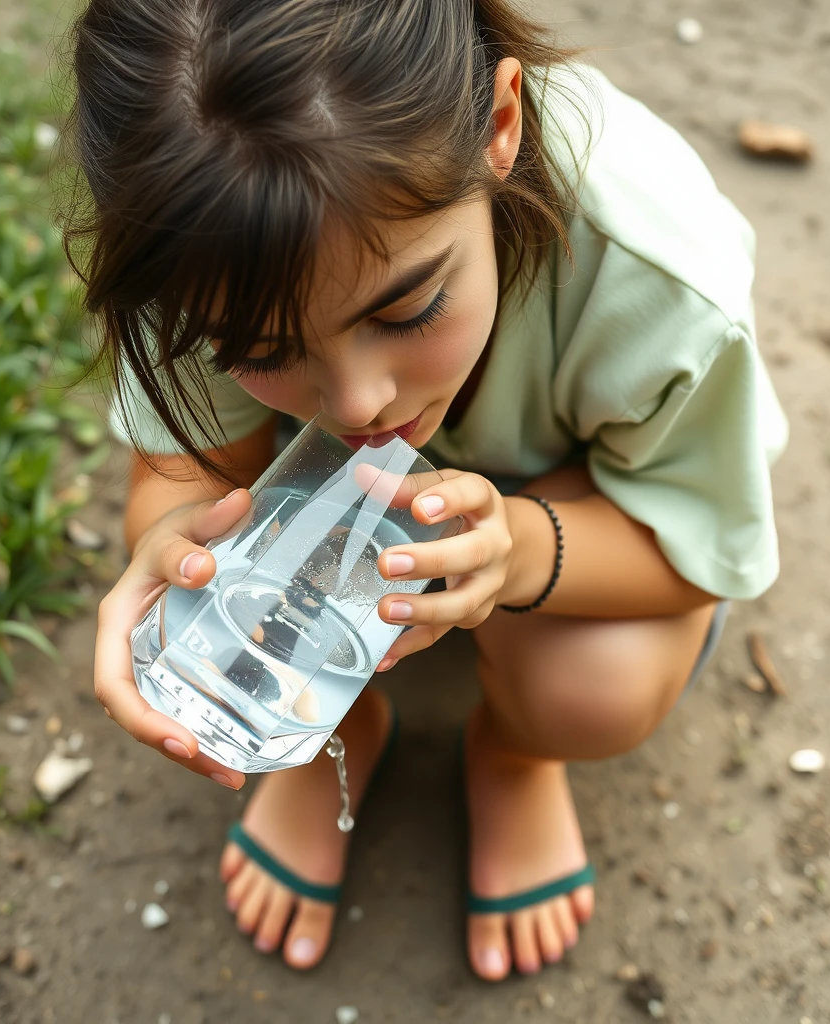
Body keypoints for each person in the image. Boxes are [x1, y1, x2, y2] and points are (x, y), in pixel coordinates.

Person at [70, 0, 788, 982]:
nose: (358, 401)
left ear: (500, 128)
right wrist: (168, 550)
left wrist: (519, 551)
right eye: (260, 351)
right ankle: (341, 720)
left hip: (573, 504)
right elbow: (179, 476)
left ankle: (515, 751)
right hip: (328, 537)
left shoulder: (655, 274)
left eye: (407, 306)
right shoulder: (200, 225)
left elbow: (695, 546)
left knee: (592, 687)